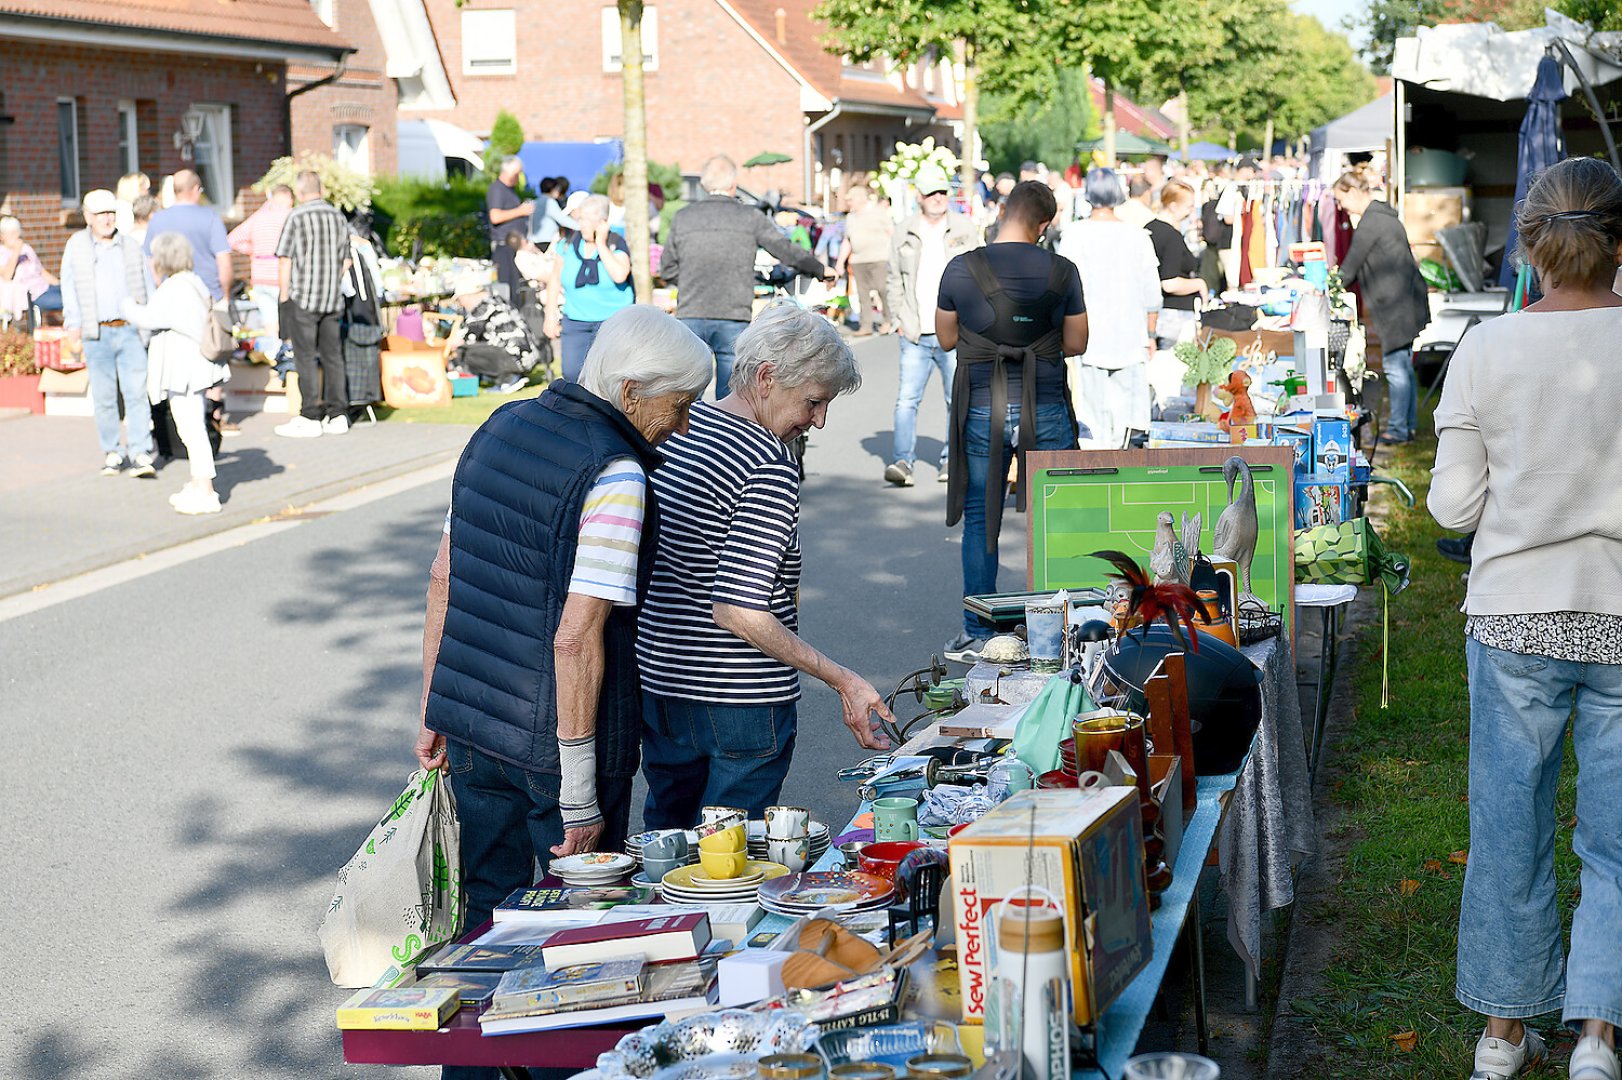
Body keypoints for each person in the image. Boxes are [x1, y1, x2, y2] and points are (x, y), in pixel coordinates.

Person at [416, 304, 712, 943]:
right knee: (579, 937)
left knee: (482, 921)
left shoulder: (499, 425)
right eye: (680, 405)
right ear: (631, 391)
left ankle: (472, 1044)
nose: (683, 425)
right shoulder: (616, 471)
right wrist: (580, 796)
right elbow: (576, 638)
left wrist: (432, 709)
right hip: (560, 745)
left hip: (471, 726)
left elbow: (445, 575)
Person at [1428, 155, 1622, 1080]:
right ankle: (1597, 1036)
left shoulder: (1489, 348)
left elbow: (1451, 510)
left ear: (1532, 249)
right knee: (1617, 838)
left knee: (1509, 825)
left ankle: (1503, 1034)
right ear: (1619, 245)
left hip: (1515, 619)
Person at [637, 302, 893, 827]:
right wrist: (844, 680)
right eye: (814, 402)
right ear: (767, 377)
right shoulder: (767, 462)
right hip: (740, 701)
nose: (819, 420)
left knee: (669, 846)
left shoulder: (682, 425)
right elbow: (738, 610)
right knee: (731, 865)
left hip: (662, 685)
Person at [937, 181, 1088, 662]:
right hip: (1044, 402)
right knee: (1057, 513)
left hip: (982, 403)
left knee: (982, 518)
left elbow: (944, 338)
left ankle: (979, 633)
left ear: (1003, 211)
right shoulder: (1062, 270)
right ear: (1044, 225)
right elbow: (1078, 342)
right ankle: (1060, 626)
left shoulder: (961, 268)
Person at [659, 155, 832, 398]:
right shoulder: (750, 217)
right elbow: (784, 248)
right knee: (730, 398)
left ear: (704, 185)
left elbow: (666, 268)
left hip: (691, 312)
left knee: (687, 394)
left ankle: (689, 435)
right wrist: (819, 269)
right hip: (733, 313)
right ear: (732, 185)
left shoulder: (683, 217)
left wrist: (689, 281)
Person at [883, 167, 981, 487]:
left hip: (956, 331)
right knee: (906, 400)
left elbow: (980, 275)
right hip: (915, 330)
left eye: (942, 192)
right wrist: (898, 317)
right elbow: (893, 278)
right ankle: (902, 461)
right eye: (931, 193)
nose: (938, 198)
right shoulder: (904, 230)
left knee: (957, 399)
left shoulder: (964, 228)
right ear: (919, 197)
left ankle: (951, 460)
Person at [123, 232, 226, 514]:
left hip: (184, 369)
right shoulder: (193, 282)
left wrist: (126, 305)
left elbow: (148, 317)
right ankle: (197, 484)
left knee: (191, 429)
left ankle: (205, 491)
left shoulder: (173, 288)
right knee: (193, 426)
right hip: (195, 366)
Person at [1058, 168, 1162, 450]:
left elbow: (1063, 289)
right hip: (1131, 333)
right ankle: (1130, 477)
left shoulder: (1074, 235)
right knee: (1130, 418)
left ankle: (1097, 476)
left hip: (1087, 335)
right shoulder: (1138, 236)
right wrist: (1151, 333)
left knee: (1092, 416)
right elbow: (1152, 292)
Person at [60, 189, 155, 477]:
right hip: (96, 332)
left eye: (111, 213)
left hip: (129, 330)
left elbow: (146, 284)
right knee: (104, 397)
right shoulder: (76, 245)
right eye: (101, 214)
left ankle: (140, 452)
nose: (107, 218)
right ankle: (113, 451)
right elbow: (69, 287)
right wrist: (73, 324)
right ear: (88, 217)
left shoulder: (129, 245)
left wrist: (149, 323)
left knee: (137, 393)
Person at [1332, 168, 1430, 445]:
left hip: (1397, 305)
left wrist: (1327, 285)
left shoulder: (1371, 222)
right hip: (1405, 300)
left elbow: (1350, 267)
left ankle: (1399, 430)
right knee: (1402, 366)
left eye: (1341, 199)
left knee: (1396, 367)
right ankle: (1406, 426)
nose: (1340, 207)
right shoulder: (1382, 215)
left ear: (1353, 192)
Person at [274, 170, 352, 438]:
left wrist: (284, 296)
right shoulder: (338, 216)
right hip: (332, 298)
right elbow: (347, 260)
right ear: (320, 189)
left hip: (304, 297)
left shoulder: (296, 216)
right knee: (333, 356)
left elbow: (285, 259)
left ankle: (310, 415)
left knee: (305, 357)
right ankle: (338, 413)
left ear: (299, 192)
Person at [544, 194, 633, 383]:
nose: (581, 224)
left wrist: (601, 243)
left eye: (587, 220)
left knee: (609, 378)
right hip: (576, 321)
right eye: (581, 219)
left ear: (602, 222)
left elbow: (619, 275)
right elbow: (554, 281)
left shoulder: (616, 242)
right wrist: (549, 316)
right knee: (571, 375)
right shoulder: (567, 245)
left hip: (612, 323)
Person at [228, 184, 294, 365]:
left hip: (260, 275)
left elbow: (233, 239)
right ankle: (287, 358)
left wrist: (253, 251)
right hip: (282, 276)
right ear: (288, 198)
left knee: (269, 321)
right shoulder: (289, 216)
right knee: (286, 319)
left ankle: (273, 356)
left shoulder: (258, 217)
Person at [144, 169, 231, 302]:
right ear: (196, 189)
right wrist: (225, 296)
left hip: (171, 297)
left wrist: (161, 286)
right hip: (208, 296)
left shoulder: (157, 219)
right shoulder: (211, 218)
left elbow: (150, 262)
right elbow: (224, 262)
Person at [447, 270, 542, 392]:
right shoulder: (497, 300)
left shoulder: (482, 309)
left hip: (514, 358)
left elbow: (464, 339)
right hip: (528, 356)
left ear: (468, 296)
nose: (461, 304)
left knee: (465, 352)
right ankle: (509, 376)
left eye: (460, 300)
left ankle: (508, 379)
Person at [1146, 181, 1208, 349]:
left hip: (1154, 314)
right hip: (1174, 316)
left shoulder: (1149, 229)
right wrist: (1199, 284)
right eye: (1189, 206)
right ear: (1173, 206)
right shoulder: (1171, 236)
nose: (1191, 212)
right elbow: (1169, 282)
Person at [838, 184, 894, 336]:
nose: (849, 203)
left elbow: (892, 232)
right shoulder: (850, 217)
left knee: (882, 289)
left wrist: (892, 254)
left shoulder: (878, 212)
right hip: (858, 260)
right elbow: (847, 241)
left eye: (851, 200)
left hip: (878, 258)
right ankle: (866, 326)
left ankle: (888, 320)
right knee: (862, 294)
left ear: (860, 199)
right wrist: (839, 263)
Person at [485, 155, 533, 302]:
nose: (518, 177)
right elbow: (495, 216)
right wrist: (521, 211)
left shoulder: (509, 190)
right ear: (508, 172)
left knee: (515, 288)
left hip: (513, 245)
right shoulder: (497, 189)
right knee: (507, 289)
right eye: (516, 174)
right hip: (503, 246)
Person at [0, 215, 59, 323]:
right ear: (2, 236)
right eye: (12, 233)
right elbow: (7, 276)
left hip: (45, 287)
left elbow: (41, 271)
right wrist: (16, 251)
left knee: (73, 292)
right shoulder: (2, 253)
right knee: (68, 301)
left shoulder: (26, 249)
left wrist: (58, 283)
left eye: (17, 232)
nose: (16, 236)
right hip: (33, 295)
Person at [529, 176, 580, 251]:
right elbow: (562, 219)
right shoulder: (550, 202)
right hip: (547, 241)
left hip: (535, 241)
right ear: (552, 189)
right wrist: (580, 227)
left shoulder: (536, 201)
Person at [114, 172, 150, 237]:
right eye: (144, 189)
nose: (147, 193)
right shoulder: (123, 208)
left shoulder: (128, 206)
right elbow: (125, 232)